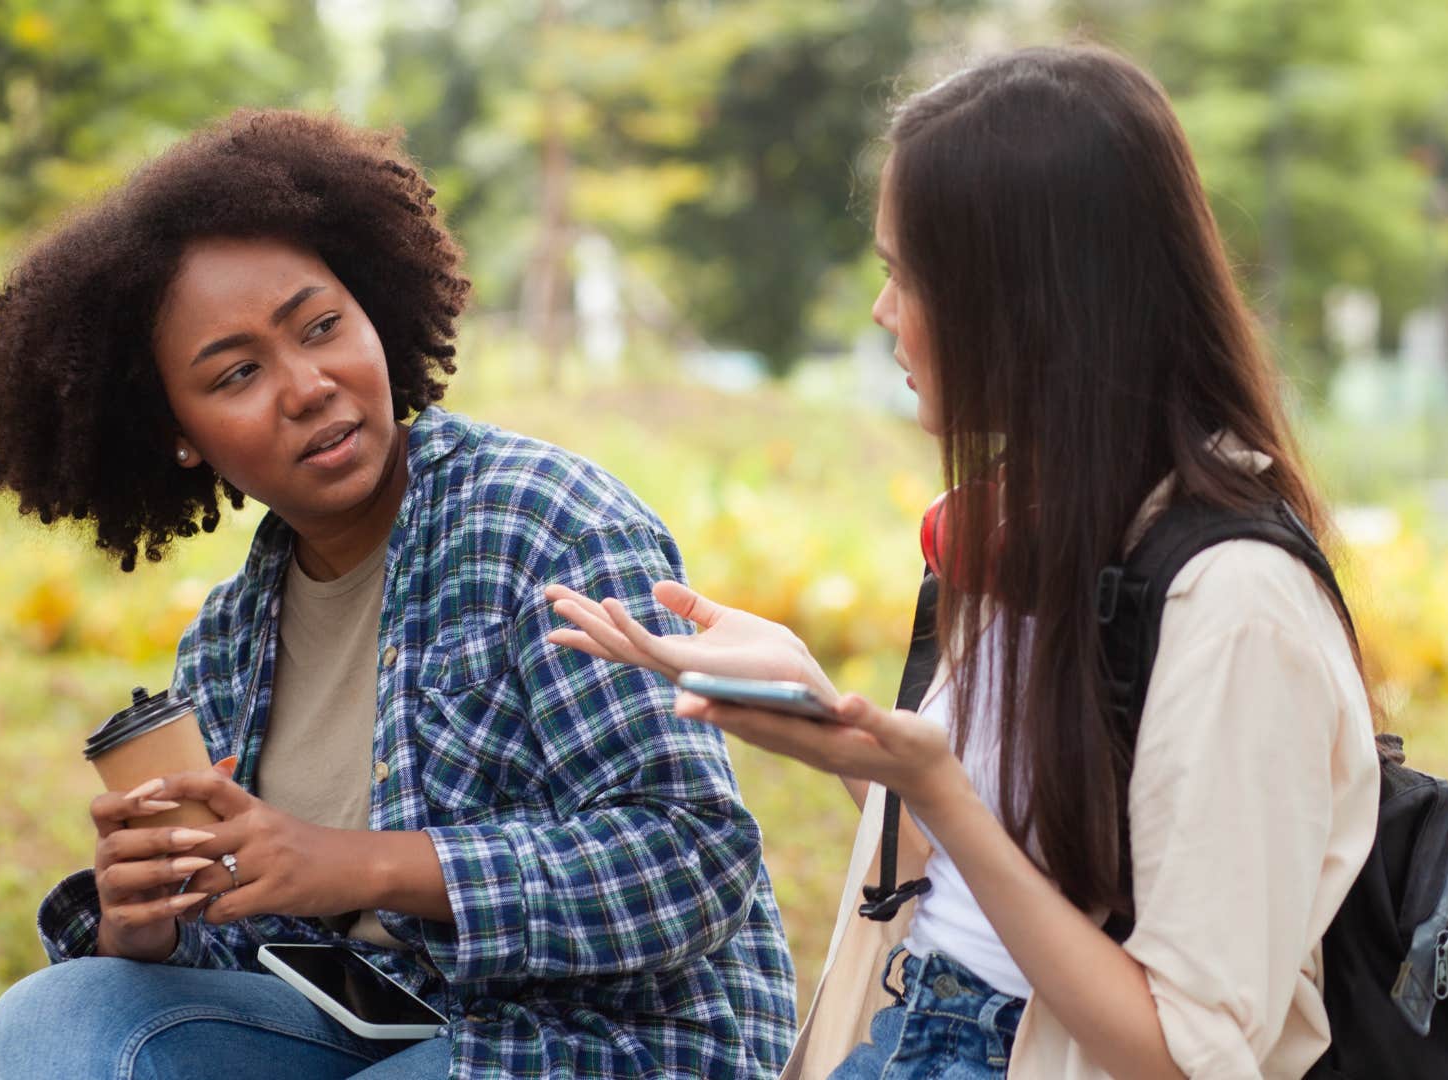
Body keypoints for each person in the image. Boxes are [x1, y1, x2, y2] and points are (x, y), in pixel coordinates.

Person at [545, 45, 1380, 1080]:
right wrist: (828, 715)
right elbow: (990, 879)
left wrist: (935, 791)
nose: (882, 313)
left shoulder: (1238, 604)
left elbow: (1180, 1053)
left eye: (906, 276)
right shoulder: (1034, 529)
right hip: (909, 1031)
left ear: (1029, 303)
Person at [0, 110, 795, 1079]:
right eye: (236, 374)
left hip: (599, 1048)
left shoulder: (543, 524)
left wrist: (366, 863)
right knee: (54, 1017)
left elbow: (691, 863)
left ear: (375, 310)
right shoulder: (229, 642)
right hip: (377, 1039)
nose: (307, 385)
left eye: (321, 327)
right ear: (175, 433)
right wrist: (152, 931)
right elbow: (271, 952)